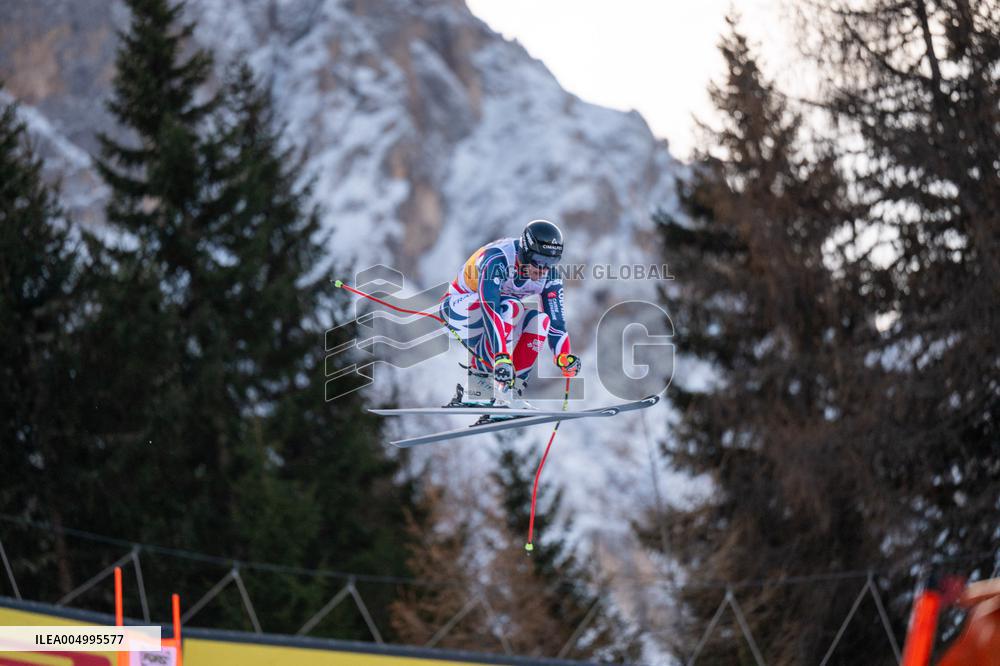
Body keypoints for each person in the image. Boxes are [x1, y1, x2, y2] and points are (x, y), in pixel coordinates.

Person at [439, 219, 581, 408]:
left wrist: (563, 356)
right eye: (539, 261)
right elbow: (490, 309)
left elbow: (557, 323)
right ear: (525, 251)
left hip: (499, 318)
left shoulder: (549, 276)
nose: (543, 269)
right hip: (456, 310)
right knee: (511, 306)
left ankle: (509, 392)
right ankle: (477, 387)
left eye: (551, 262)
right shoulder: (498, 259)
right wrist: (501, 356)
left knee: (541, 321)